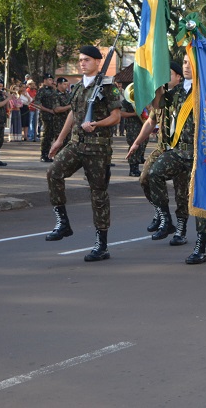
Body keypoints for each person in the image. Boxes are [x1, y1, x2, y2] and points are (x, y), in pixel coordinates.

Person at [129, 55, 206, 264]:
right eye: (184, 63)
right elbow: (157, 106)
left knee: (198, 200)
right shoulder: (175, 92)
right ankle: (166, 218)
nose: (186, 66)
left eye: (191, 63)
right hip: (177, 150)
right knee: (153, 174)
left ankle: (200, 247)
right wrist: (156, 83)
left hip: (201, 153)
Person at [45, 45, 121, 262]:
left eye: (87, 60)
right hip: (76, 145)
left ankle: (101, 244)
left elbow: (116, 117)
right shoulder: (78, 87)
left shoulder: (109, 87)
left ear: (98, 62)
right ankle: (63, 223)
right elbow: (73, 114)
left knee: (98, 194)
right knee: (53, 173)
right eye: (80, 60)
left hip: (97, 147)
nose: (82, 63)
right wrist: (59, 140)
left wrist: (97, 123)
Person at [131, 61, 182, 239]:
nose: (164, 78)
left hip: (181, 150)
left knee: (181, 193)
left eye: (168, 74)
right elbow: (151, 121)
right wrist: (137, 143)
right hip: (162, 148)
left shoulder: (183, 97)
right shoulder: (160, 98)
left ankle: (180, 230)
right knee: (145, 178)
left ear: (178, 77)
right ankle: (163, 215)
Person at [118, 81, 148, 177]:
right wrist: (134, 114)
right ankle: (133, 169)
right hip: (132, 127)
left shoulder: (141, 99)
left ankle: (137, 165)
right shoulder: (126, 101)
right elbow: (121, 113)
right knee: (134, 146)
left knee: (142, 145)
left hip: (141, 126)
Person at [32, 74, 58, 162]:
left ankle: (51, 154)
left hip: (55, 116)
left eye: (52, 79)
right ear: (45, 80)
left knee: (53, 135)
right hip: (46, 116)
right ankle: (44, 154)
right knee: (47, 135)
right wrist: (48, 110)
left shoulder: (53, 90)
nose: (52, 81)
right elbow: (37, 104)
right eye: (50, 79)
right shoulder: (42, 90)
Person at [52, 77, 72, 146]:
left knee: (68, 143)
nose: (66, 86)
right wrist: (69, 106)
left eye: (67, 84)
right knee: (59, 144)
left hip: (68, 123)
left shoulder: (68, 94)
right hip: (59, 123)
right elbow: (56, 109)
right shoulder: (55, 95)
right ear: (59, 84)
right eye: (64, 84)